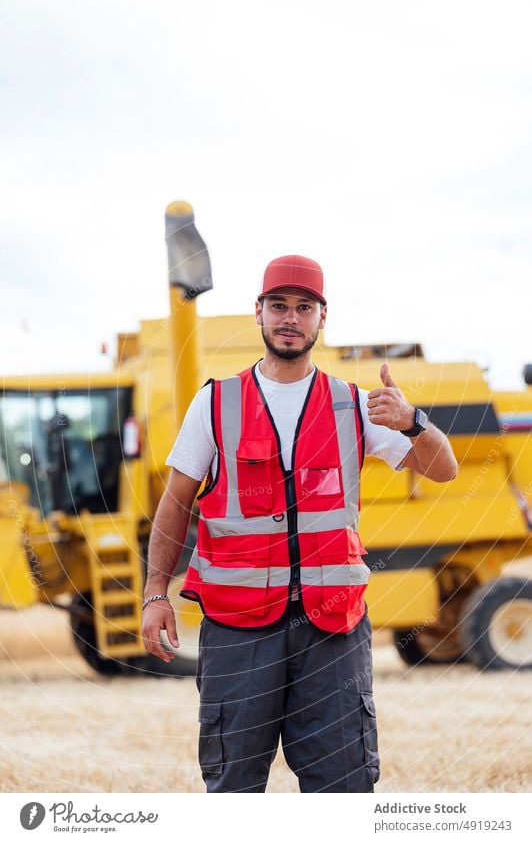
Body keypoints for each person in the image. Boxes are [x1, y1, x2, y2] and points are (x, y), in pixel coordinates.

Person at [141, 254, 457, 793]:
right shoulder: (214, 403)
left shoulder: (355, 405)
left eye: (304, 307)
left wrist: (413, 422)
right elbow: (174, 502)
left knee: (345, 784)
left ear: (322, 318)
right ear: (258, 313)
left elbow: (443, 469)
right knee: (234, 786)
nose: (291, 317)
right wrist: (155, 594)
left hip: (331, 629)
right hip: (238, 631)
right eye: (279, 306)